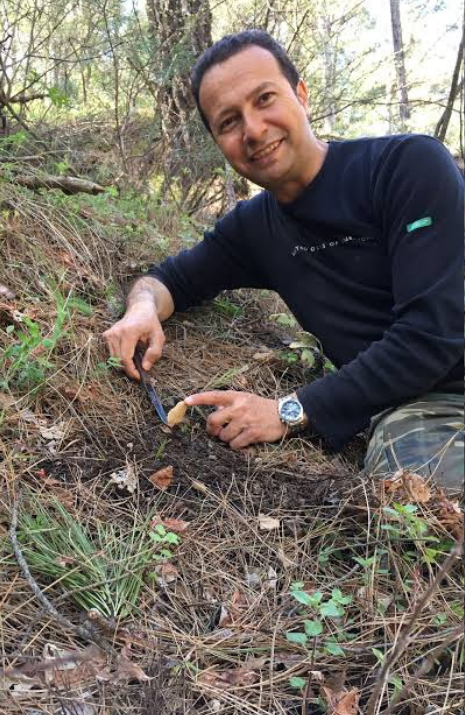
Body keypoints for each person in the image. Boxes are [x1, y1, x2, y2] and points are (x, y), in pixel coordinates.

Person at [101, 30, 464, 493]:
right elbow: (169, 280)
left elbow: (430, 336)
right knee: (412, 493)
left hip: (449, 380)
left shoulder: (405, 168)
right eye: (228, 122)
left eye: (265, 99)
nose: (253, 130)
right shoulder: (255, 229)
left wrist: (287, 411)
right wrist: (141, 308)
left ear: (302, 95)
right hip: (420, 412)